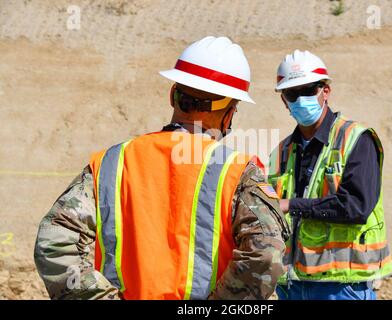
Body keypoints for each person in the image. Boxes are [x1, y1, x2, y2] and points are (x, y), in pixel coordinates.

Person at [34, 36, 289, 300]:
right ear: (229, 111)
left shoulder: (110, 164)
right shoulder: (238, 172)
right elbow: (266, 253)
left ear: (172, 95)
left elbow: (54, 244)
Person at [268, 50, 392, 300]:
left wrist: (291, 205)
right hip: (291, 285)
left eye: (308, 90)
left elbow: (356, 207)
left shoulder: (357, 140)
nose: (300, 98)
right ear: (284, 100)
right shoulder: (281, 151)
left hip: (341, 287)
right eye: (292, 93)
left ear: (325, 91)